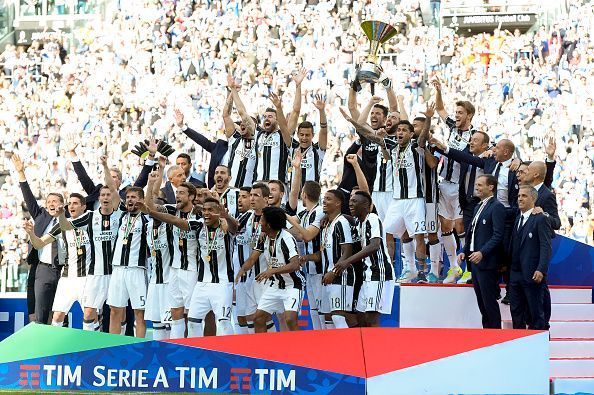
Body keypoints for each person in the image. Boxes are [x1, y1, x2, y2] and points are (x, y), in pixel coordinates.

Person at [143, 197, 238, 337]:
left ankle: (228, 357)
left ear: (218, 212)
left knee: (223, 322)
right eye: (204, 210)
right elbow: (175, 220)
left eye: (210, 210)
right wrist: (150, 212)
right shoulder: (198, 226)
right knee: (193, 321)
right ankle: (195, 354)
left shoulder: (225, 228)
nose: (206, 213)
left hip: (223, 284)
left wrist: (226, 217)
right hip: (201, 285)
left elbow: (234, 227)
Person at [61, 155, 122, 331]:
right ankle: (90, 346)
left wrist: (104, 165)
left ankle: (117, 348)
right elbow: (66, 225)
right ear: (98, 198)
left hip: (115, 272)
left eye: (108, 194)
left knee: (116, 312)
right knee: (89, 313)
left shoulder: (119, 213)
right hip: (95, 272)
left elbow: (112, 186)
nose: (105, 196)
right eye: (102, 194)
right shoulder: (90, 216)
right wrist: (59, 215)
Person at [432, 77, 477, 283]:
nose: (456, 116)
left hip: (461, 186)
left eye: (460, 113)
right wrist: (439, 90)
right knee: (445, 225)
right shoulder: (451, 127)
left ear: (469, 115)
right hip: (444, 182)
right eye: (456, 112)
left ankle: (468, 268)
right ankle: (454, 267)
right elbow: (440, 109)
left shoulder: (475, 136)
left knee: (461, 226)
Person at [12, 153, 63, 325]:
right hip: (41, 269)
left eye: (55, 201)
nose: (51, 203)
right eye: (48, 201)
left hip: (63, 270)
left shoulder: (69, 219)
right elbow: (28, 196)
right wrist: (21, 173)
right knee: (38, 314)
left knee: (57, 314)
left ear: (62, 204)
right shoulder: (40, 215)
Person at [146, 174, 199, 339]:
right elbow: (151, 209)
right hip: (174, 269)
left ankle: (195, 350)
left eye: (182, 193)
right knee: (175, 311)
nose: (177, 196)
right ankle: (176, 348)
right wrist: (150, 183)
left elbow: (181, 224)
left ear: (191, 197)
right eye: (177, 193)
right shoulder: (172, 209)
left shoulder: (199, 215)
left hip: (192, 269)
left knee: (192, 314)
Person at [237, 206, 305, 333]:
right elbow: (252, 259)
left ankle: (298, 350)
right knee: (258, 318)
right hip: (275, 285)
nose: (259, 223)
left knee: (290, 319)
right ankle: (262, 351)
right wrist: (242, 271)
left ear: (268, 225)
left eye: (262, 220)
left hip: (293, 285)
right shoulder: (264, 237)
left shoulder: (287, 238)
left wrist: (272, 271)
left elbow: (295, 265)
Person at [339, 191, 395, 327]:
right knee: (360, 317)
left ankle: (377, 347)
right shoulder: (359, 222)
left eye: (354, 202)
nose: (350, 204)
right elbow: (345, 218)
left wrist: (347, 261)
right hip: (368, 276)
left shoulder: (373, 218)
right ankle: (364, 347)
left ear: (366, 205)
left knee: (371, 318)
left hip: (379, 273)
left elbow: (374, 245)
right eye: (350, 201)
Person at [459, 175, 505, 329]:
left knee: (489, 302)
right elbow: (472, 233)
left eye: (480, 185)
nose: (476, 187)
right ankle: (487, 333)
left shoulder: (497, 206)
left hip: (487, 263)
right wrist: (465, 251)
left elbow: (498, 235)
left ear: (490, 187)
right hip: (475, 264)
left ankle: (496, 334)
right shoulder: (478, 206)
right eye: (476, 185)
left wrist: (482, 252)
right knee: (481, 302)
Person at [286, 152, 325, 329]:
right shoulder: (306, 213)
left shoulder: (319, 212)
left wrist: (290, 219)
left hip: (321, 269)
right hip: (309, 268)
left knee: (323, 312)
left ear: (305, 195)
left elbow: (307, 235)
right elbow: (296, 233)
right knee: (315, 310)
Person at [107, 187, 151, 338]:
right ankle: (114, 348)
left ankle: (139, 348)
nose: (130, 200)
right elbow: (112, 191)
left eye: (133, 197)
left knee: (140, 313)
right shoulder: (121, 217)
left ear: (141, 200)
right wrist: (105, 166)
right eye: (128, 197)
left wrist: (151, 183)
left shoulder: (147, 219)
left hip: (136, 269)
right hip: (118, 269)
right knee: (114, 310)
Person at [509, 186, 552, 330]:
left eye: (524, 196)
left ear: (534, 199)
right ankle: (519, 345)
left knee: (536, 313)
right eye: (519, 196)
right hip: (515, 274)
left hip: (533, 274)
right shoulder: (517, 218)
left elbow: (546, 246)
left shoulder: (540, 219)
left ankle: (539, 346)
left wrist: (541, 269)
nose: (520, 198)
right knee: (516, 312)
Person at [317, 189, 358, 329]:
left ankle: (347, 349)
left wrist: (333, 272)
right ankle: (332, 350)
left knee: (338, 316)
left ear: (338, 203)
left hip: (341, 276)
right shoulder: (327, 224)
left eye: (328, 199)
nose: (324, 201)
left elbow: (347, 251)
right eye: (324, 198)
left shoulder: (342, 222)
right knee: (328, 317)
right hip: (327, 277)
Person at [175, 107, 229, 189]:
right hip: (216, 189)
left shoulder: (245, 149)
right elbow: (202, 141)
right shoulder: (220, 146)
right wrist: (183, 127)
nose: (227, 132)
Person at [288, 95, 328, 187]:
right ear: (297, 135)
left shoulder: (318, 150)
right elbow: (288, 130)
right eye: (301, 135)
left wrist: (321, 111)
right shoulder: (293, 147)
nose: (304, 138)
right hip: (295, 198)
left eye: (307, 135)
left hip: (312, 198)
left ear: (313, 135)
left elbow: (324, 131)